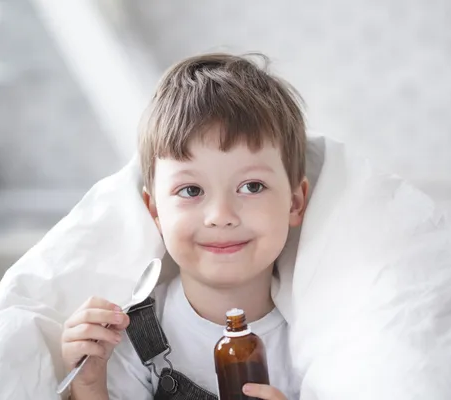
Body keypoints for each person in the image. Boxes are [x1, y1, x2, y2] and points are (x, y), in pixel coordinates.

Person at [61, 52, 309, 400]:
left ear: (295, 203)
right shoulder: (134, 334)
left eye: (251, 186)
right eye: (191, 190)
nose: (220, 215)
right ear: (156, 212)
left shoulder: (316, 333)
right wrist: (87, 385)